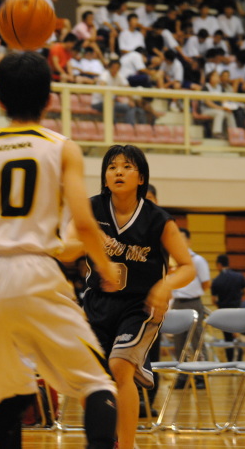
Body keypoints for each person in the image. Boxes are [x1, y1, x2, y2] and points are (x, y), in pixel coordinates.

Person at [0, 52, 119, 449]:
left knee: (4, 393)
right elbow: (85, 222)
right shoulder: (61, 147)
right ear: (50, 100)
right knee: (97, 383)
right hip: (33, 271)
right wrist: (105, 267)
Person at [73, 144, 195, 449]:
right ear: (104, 176)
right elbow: (67, 247)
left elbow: (188, 267)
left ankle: (126, 444)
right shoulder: (90, 209)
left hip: (141, 306)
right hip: (97, 302)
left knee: (119, 367)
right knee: (92, 376)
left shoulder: (158, 219)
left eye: (127, 167)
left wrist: (164, 286)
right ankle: (107, 439)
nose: (118, 172)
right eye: (112, 167)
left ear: (141, 178)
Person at [171, 228, 211, 368]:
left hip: (193, 302)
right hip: (177, 303)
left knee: (197, 339)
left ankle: (201, 374)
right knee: (178, 341)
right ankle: (182, 375)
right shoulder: (172, 261)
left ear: (189, 241)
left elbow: (206, 283)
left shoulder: (198, 260)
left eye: (182, 239)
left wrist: (191, 292)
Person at [211, 254, 245, 360]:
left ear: (219, 265)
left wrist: (221, 304)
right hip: (237, 311)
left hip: (224, 313)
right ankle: (239, 360)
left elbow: (213, 300)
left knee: (228, 339)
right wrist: (237, 297)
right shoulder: (239, 276)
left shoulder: (216, 280)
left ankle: (230, 362)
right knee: (237, 335)